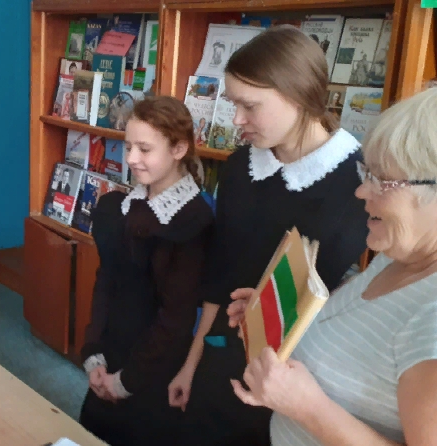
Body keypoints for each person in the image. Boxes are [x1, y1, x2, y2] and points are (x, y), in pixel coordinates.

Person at [169, 26, 369, 445]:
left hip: (299, 386)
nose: (236, 120)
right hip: (222, 359)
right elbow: (219, 275)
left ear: (298, 95)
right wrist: (192, 363)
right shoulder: (240, 167)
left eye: (250, 106)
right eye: (233, 104)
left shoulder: (360, 184)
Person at [229, 87, 437, 446]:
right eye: (367, 173)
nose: (361, 192)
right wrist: (277, 313)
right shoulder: (399, 256)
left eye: (383, 181)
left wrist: (307, 408)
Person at [78, 96, 214, 445]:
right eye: (128, 147)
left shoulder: (192, 223)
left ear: (179, 149)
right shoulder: (124, 207)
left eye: (144, 149)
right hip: (112, 352)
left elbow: (175, 319)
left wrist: (126, 381)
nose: (131, 159)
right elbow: (106, 280)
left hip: (152, 367)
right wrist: (94, 351)